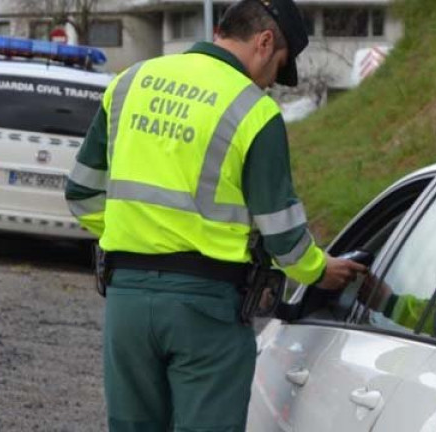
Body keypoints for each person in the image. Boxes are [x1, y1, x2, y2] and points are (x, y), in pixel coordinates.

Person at [65, 0, 366, 430]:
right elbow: (281, 233)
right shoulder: (254, 112)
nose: (270, 86)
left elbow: (80, 192)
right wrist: (321, 271)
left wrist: (135, 232)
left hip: (126, 302)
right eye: (277, 69)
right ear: (264, 42)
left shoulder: (130, 82)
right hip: (206, 310)